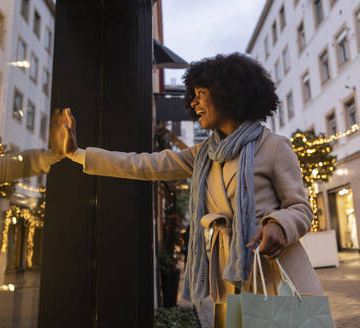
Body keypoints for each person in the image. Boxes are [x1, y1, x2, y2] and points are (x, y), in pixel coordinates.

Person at [51, 53, 324, 327]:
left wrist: (278, 225)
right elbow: (143, 164)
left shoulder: (275, 146)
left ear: (229, 93)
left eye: (201, 93)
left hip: (274, 272)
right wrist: (77, 153)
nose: (193, 103)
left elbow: (301, 209)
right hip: (230, 277)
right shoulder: (204, 155)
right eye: (192, 95)